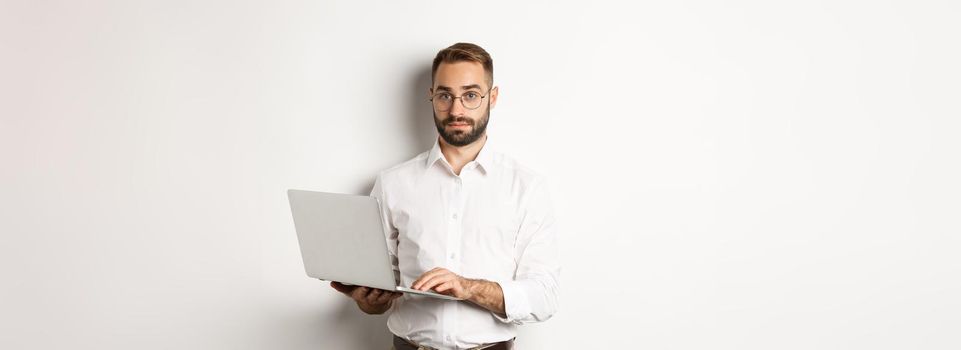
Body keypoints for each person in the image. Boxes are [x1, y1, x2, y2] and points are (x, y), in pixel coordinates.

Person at [330, 42, 560, 350]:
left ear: (492, 98)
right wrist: (368, 300)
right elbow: (380, 289)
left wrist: (469, 288)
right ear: (431, 96)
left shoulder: (526, 187)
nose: (456, 110)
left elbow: (545, 296)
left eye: (470, 95)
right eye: (445, 95)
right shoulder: (392, 183)